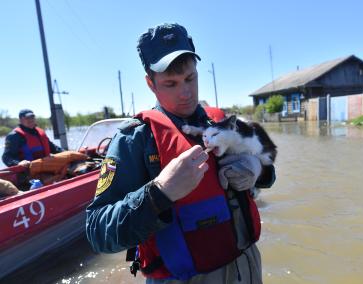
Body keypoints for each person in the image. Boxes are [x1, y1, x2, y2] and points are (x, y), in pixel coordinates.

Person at [86, 23, 275, 283]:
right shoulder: (135, 139)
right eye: (170, 83)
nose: (185, 93)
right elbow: (97, 231)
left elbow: (268, 171)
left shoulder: (221, 122)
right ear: (151, 84)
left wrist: (257, 170)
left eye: (190, 79)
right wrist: (158, 193)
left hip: (247, 267)